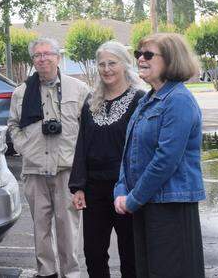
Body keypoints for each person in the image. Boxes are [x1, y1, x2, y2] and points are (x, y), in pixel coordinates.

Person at [114, 32, 205, 277]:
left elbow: (165, 160)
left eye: (148, 54)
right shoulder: (148, 99)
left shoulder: (178, 100)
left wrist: (133, 199)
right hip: (146, 203)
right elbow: (129, 151)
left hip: (170, 207)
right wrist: (121, 189)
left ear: (171, 60)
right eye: (138, 54)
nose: (140, 59)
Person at [6, 37, 88, 278]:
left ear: (58, 57)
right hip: (34, 169)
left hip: (67, 170)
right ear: (33, 60)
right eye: (37, 55)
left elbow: (89, 128)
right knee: (40, 227)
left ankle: (71, 273)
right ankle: (46, 272)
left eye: (47, 54)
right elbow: (13, 125)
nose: (43, 59)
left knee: (68, 227)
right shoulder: (21, 92)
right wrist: (25, 149)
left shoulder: (78, 89)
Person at [69, 41, 145, 277]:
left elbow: (142, 148)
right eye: (102, 64)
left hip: (126, 188)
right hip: (94, 189)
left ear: (124, 65)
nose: (106, 69)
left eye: (112, 63)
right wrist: (78, 186)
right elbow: (82, 144)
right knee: (93, 253)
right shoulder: (91, 102)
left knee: (130, 253)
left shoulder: (139, 100)